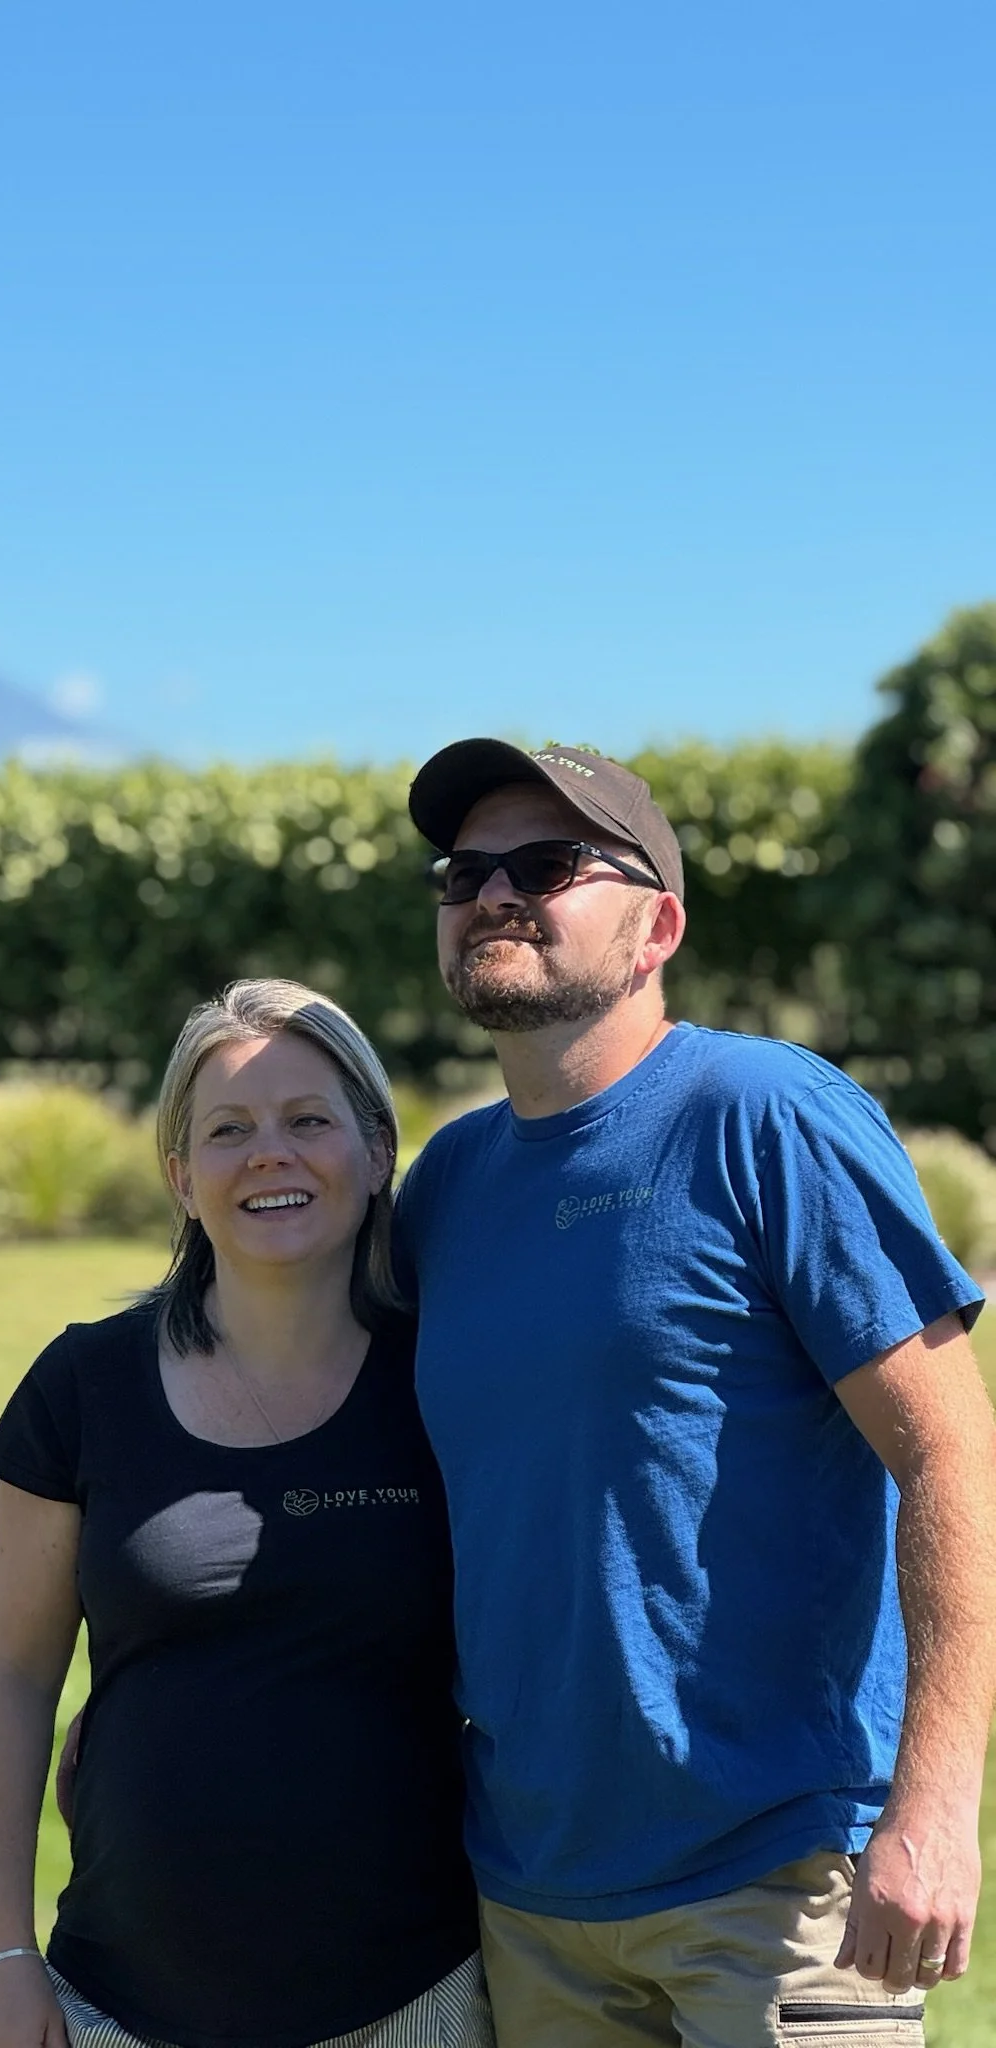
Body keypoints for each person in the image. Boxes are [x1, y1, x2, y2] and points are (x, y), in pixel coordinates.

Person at [395, 737, 996, 2046]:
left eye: (547, 865)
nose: (495, 894)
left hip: (777, 1886)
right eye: (465, 872)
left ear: (657, 924)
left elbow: (956, 1458)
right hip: (534, 1895)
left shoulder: (762, 1114)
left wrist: (938, 1812)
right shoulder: (447, 1186)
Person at [0, 978, 491, 2048]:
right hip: (122, 2003)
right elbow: (9, 1674)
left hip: (414, 1996)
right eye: (229, 1129)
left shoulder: (449, 1376)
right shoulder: (84, 1383)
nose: (269, 1154)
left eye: (309, 1121)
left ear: (377, 1152)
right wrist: (2, 1953)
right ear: (181, 1176)